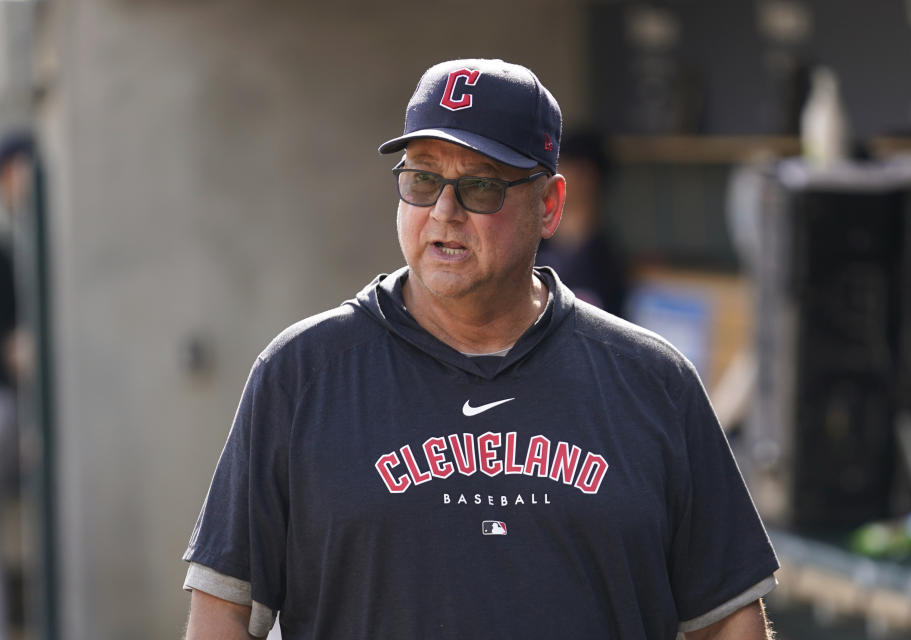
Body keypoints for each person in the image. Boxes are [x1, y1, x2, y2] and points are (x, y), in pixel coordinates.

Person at [182, 58, 779, 640]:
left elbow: (727, 620)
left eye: (480, 187)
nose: (444, 212)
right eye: (422, 180)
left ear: (548, 204)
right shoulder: (301, 374)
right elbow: (224, 611)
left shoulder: (653, 382)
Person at [535, 129, 627, 316]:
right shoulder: (531, 247)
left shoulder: (608, 264)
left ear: (587, 176)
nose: (549, 176)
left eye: (560, 165)